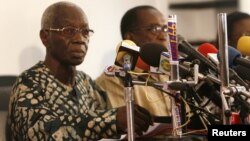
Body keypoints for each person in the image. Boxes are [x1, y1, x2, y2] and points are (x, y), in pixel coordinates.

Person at [7, 2, 153, 141]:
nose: (80, 39)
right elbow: (40, 133)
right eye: (69, 31)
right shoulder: (28, 82)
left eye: (85, 31)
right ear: (45, 37)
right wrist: (112, 120)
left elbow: (107, 125)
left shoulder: (87, 83)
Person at [96, 6, 172, 119]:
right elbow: (126, 129)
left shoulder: (169, 73)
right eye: (154, 29)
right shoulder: (115, 78)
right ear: (129, 37)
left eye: (165, 29)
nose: (163, 36)